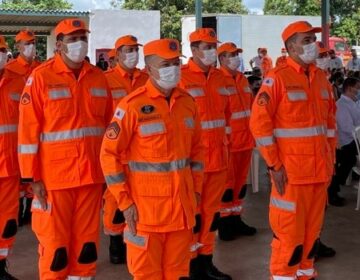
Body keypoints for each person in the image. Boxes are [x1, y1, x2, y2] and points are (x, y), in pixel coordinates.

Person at [100, 38, 204, 279]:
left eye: (176, 63)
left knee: (178, 273)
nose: (173, 69)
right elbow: (109, 154)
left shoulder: (187, 104)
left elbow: (197, 151)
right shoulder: (132, 106)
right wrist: (124, 202)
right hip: (146, 214)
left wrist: (196, 190)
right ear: (149, 69)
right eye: (166, 64)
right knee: (147, 274)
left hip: (181, 211)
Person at [18, 18, 113, 279]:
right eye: (73, 39)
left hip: (91, 177)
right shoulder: (41, 78)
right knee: (56, 249)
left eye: (83, 38)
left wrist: (108, 173)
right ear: (59, 45)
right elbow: (28, 132)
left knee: (86, 247)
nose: (79, 44)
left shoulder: (98, 78)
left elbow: (107, 130)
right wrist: (31, 177)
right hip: (53, 180)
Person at [250, 21, 336, 280]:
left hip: (319, 174)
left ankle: (306, 275)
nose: (313, 44)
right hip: (291, 176)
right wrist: (274, 165)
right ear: (290, 47)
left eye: (313, 39)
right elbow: (259, 124)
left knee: (311, 237)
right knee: (289, 239)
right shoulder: (277, 78)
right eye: (307, 40)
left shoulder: (321, 78)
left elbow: (329, 125)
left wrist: (330, 161)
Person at [179, 28, 232, 280]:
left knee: (212, 215)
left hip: (219, 160)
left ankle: (206, 261)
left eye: (214, 46)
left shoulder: (222, 79)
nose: (212, 51)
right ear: (194, 50)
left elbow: (228, 117)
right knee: (192, 216)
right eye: (208, 47)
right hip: (193, 164)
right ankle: (189, 265)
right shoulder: (180, 78)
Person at [103, 35, 148, 265]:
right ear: (117, 54)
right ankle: (114, 240)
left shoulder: (146, 79)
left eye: (135, 50)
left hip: (142, 153)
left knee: (139, 198)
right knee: (114, 198)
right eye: (128, 51)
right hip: (117, 151)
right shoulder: (106, 81)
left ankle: (134, 240)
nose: (132, 54)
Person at [216, 42, 256, 241]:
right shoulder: (218, 80)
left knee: (240, 186)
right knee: (227, 186)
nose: (236, 58)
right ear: (222, 58)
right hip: (229, 143)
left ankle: (236, 218)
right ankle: (225, 224)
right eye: (231, 55)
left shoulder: (241, 80)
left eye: (237, 54)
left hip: (246, 141)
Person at [5, 29, 41, 227]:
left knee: (32, 172)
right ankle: (18, 209)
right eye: (27, 43)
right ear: (18, 46)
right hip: (15, 132)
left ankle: (29, 210)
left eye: (33, 42)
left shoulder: (40, 68)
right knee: (17, 176)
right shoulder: (11, 69)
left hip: (33, 130)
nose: (31, 47)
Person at [0, 35, 19, 280]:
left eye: (2, 49)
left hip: (10, 167)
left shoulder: (19, 83)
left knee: (6, 222)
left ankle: (0, 264)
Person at [328, 77, 360, 206]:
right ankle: (333, 190)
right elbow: (348, 129)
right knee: (349, 160)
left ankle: (338, 185)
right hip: (345, 143)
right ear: (349, 88)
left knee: (351, 160)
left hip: (354, 139)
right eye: (357, 87)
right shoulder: (341, 105)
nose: (358, 89)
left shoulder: (354, 102)